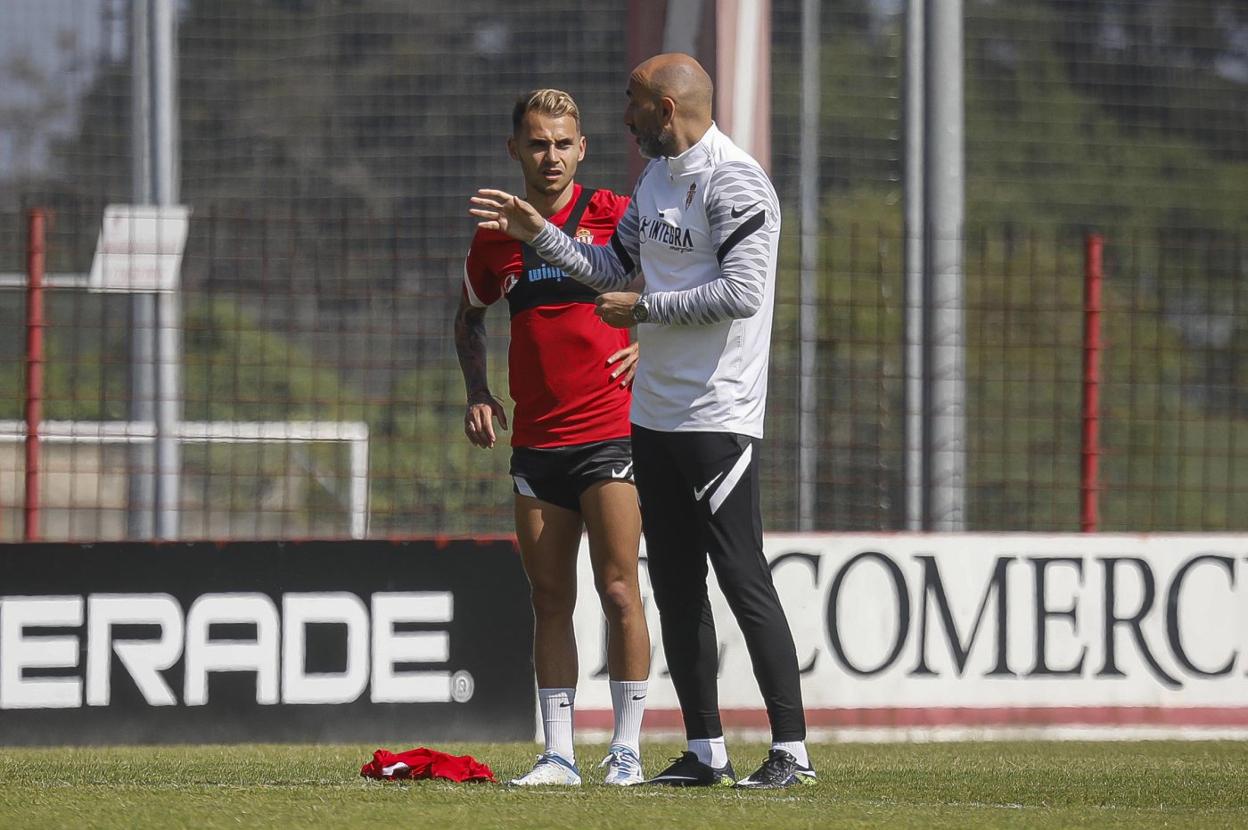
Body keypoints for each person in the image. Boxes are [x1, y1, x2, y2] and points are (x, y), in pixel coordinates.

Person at [469, 55, 813, 790]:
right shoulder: (655, 183)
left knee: (743, 575)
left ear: (664, 107)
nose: (622, 118)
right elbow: (605, 269)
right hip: (653, 415)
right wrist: (540, 235)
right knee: (680, 586)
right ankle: (704, 750)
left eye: (630, 104)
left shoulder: (735, 180)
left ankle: (791, 751)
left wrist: (646, 312)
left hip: (719, 411)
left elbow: (744, 292)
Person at [455, 89, 650, 787]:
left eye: (564, 142)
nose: (552, 155)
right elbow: (469, 315)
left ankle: (626, 751)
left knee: (621, 589)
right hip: (537, 444)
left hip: (612, 437)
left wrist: (650, 343)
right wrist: (477, 391)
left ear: (583, 148)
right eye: (538, 143)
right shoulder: (495, 234)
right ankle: (559, 754)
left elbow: (677, 285)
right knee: (548, 599)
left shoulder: (615, 217)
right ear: (516, 150)